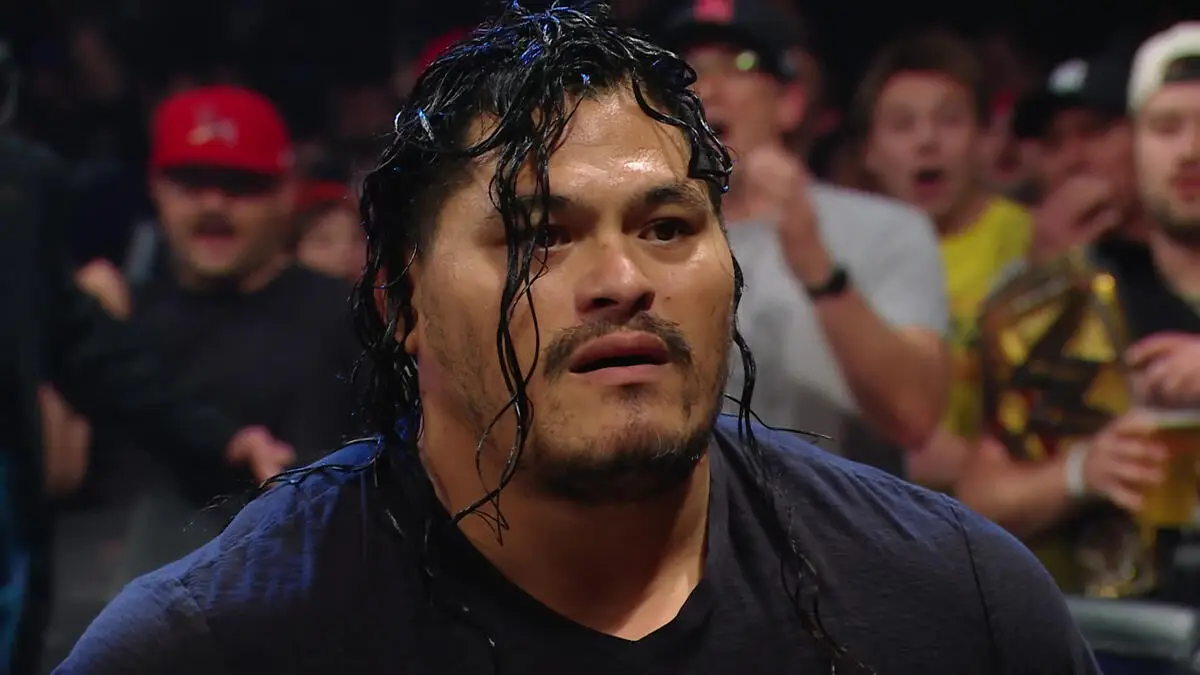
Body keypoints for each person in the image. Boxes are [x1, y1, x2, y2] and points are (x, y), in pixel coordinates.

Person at [56, 4, 1098, 674]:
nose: (623, 279)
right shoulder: (217, 644)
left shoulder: (954, 601)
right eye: (535, 237)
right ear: (400, 301)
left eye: (668, 227)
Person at [0, 78, 292, 675]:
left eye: (239, 184)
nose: (214, 203)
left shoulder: (21, 186)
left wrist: (223, 438)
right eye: (193, 182)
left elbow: (85, 347)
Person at [956, 22, 1200, 597]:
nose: (1190, 151)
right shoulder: (1062, 308)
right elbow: (979, 496)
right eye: (1166, 128)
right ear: (1136, 144)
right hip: (1132, 625)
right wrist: (1080, 471)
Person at [660, 0, 949, 476]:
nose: (708, 88)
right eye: (689, 70)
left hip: (840, 514)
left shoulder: (885, 229)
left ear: (790, 102)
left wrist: (814, 262)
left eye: (740, 66)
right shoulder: (647, 241)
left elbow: (913, 415)